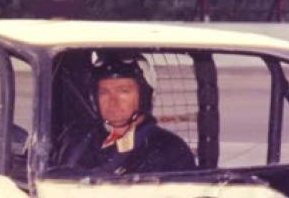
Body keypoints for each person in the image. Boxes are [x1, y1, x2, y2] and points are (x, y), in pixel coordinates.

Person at [54, 53, 196, 175]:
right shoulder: (77, 143)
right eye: (104, 92)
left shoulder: (170, 151)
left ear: (144, 96)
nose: (113, 100)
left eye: (123, 91)